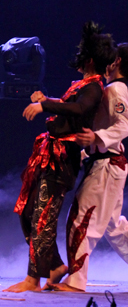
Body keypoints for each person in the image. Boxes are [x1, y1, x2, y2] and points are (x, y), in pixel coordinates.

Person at [4, 22, 117, 293]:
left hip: (62, 159)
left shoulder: (94, 88)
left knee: (43, 217)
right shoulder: (84, 84)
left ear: (89, 60)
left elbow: (79, 109)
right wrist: (47, 99)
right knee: (28, 212)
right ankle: (54, 265)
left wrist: (44, 105)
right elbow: (69, 108)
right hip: (50, 154)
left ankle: (33, 279)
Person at [53, 43, 128, 292]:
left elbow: (124, 125)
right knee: (114, 228)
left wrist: (96, 138)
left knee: (81, 219)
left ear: (116, 62)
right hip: (107, 162)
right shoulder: (112, 88)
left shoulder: (116, 89)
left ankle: (76, 281)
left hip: (107, 165)